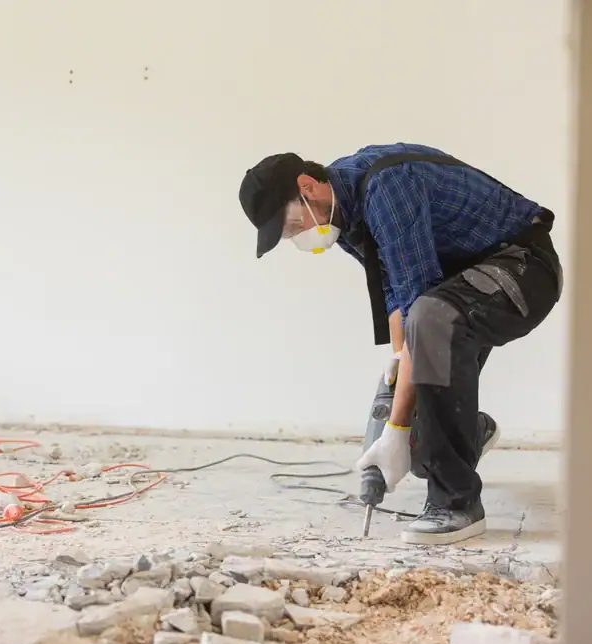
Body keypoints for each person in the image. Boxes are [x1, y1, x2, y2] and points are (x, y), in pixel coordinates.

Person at [237, 143, 563, 545]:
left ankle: (456, 504)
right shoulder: (343, 212)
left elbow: (420, 306)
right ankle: (469, 433)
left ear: (307, 187)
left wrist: (394, 427)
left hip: (523, 268)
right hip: (457, 288)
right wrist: (398, 366)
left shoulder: (387, 189)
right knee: (420, 439)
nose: (295, 237)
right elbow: (396, 294)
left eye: (290, 226)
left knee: (428, 326)